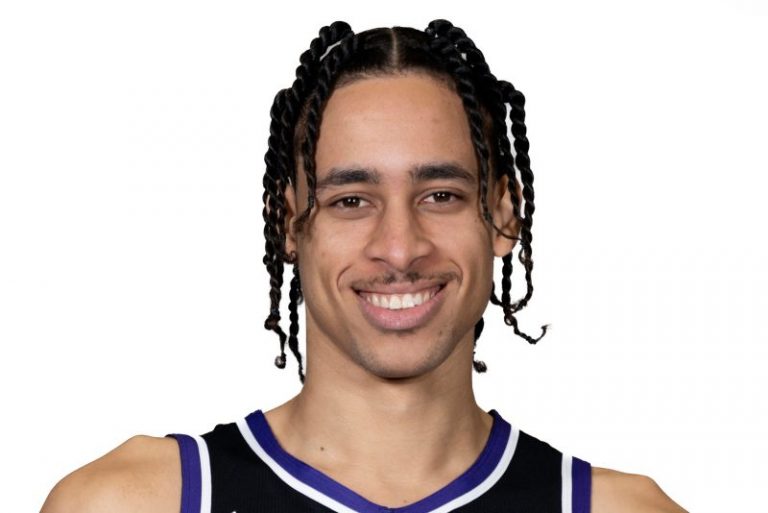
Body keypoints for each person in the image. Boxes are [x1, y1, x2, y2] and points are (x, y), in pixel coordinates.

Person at [40, 20, 687, 513]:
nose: (400, 248)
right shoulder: (134, 501)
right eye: (351, 200)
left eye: (440, 195)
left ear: (503, 215)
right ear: (287, 223)